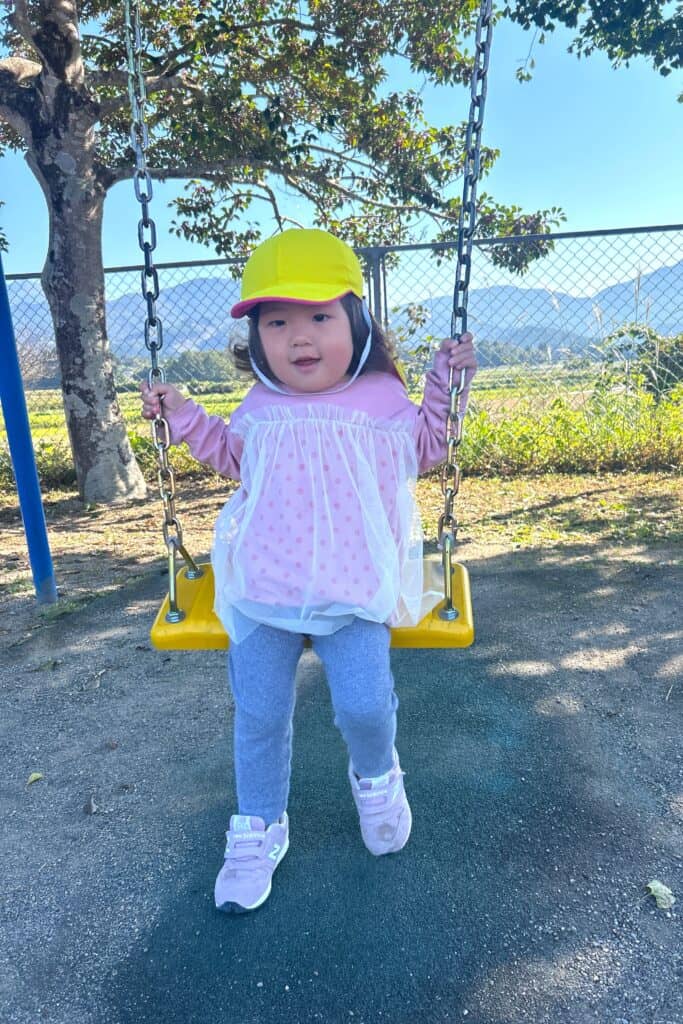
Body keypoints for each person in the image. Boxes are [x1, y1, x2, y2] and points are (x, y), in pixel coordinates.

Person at [141, 228, 477, 914]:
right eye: (277, 322)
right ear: (257, 338)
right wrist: (181, 415)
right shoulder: (260, 407)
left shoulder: (381, 399)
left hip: (352, 591)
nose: (299, 336)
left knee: (362, 705)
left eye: (319, 317)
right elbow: (231, 457)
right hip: (263, 589)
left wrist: (448, 381)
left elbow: (430, 446)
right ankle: (259, 825)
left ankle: (377, 778)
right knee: (259, 714)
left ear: (354, 323)